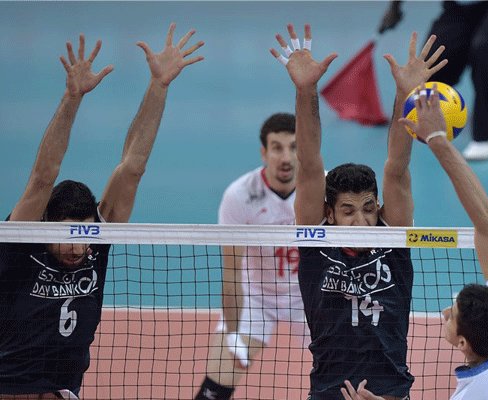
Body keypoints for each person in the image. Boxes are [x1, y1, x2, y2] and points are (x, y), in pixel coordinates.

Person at [0, 24, 204, 399]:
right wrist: (72, 98)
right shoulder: (20, 246)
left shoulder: (95, 243)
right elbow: (42, 178)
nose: (77, 248)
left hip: (64, 390)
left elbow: (132, 167)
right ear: (45, 226)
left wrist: (159, 86)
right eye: (66, 236)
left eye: (84, 236)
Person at [340, 84, 488, 399]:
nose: (444, 313)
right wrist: (437, 139)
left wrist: (437, 139)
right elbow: (487, 224)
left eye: (452, 316)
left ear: (462, 343)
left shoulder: (478, 391)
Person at [269, 24, 447, 400]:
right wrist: (306, 91)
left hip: (390, 392)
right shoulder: (316, 241)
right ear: (329, 213)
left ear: (378, 206)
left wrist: (405, 93)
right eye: (348, 211)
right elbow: (310, 164)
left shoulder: (393, 236)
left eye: (368, 208)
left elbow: (396, 168)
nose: (361, 220)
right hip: (327, 391)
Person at [194, 113, 308, 400]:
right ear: (264, 152)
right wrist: (233, 333)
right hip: (256, 297)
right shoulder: (239, 196)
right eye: (277, 148)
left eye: (294, 147)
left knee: (349, 376)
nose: (286, 157)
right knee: (215, 387)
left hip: (310, 296)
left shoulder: (322, 188)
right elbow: (232, 271)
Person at [378, 1, 488, 160]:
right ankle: (432, 120)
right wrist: (394, 8)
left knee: (485, 48)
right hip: (460, 5)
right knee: (433, 60)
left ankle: (487, 134)